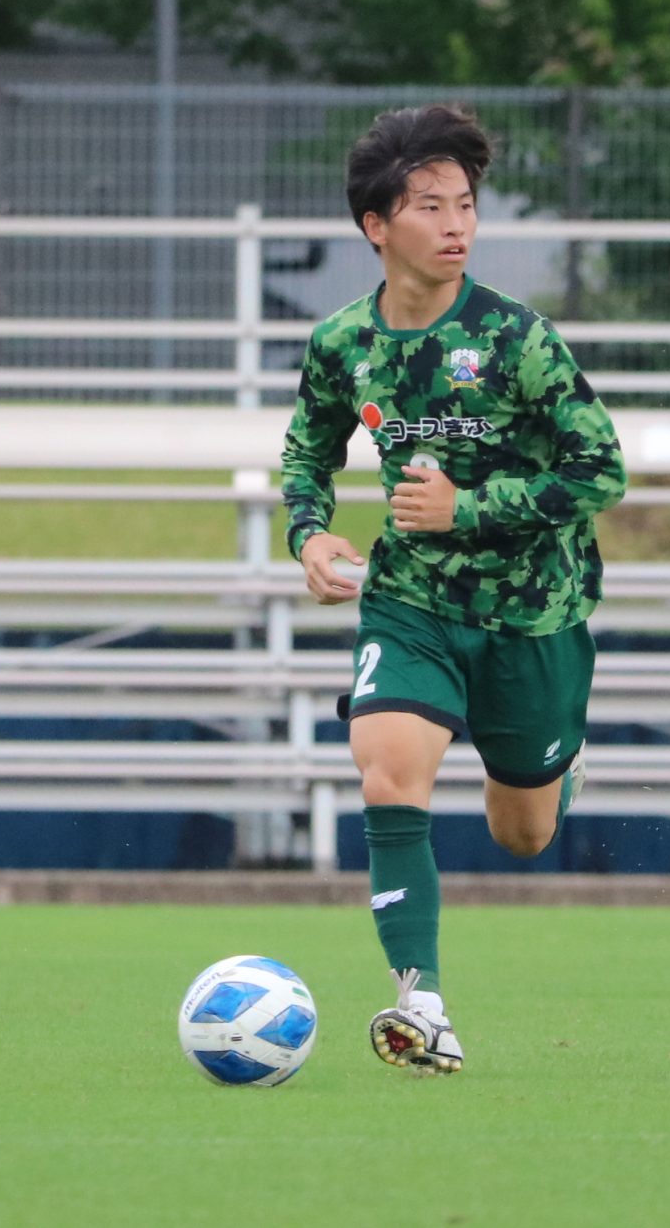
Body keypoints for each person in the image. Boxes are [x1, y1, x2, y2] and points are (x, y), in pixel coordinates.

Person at [279, 103, 627, 1075]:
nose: (455, 224)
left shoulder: (517, 339)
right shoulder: (342, 343)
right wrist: (309, 533)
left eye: (464, 204)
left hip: (532, 614)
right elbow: (307, 452)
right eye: (429, 205)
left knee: (523, 833)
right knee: (387, 770)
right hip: (411, 603)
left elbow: (602, 471)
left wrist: (466, 508)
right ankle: (420, 1005)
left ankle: (556, 765)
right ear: (375, 226)